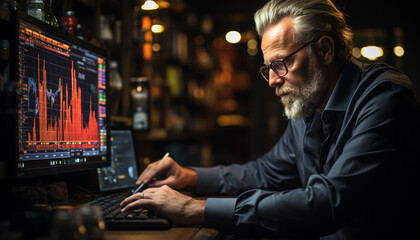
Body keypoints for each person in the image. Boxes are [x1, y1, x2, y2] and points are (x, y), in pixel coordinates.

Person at [120, 0, 420, 238]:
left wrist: (196, 208)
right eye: (268, 68)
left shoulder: (385, 97)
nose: (272, 81)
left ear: (325, 50)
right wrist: (191, 176)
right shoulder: (308, 105)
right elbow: (266, 172)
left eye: (281, 64)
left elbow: (328, 203)